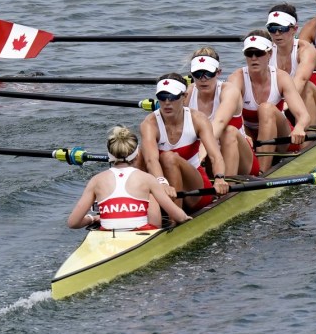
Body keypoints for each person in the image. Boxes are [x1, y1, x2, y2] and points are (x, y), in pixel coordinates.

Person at [211, 31, 312, 170]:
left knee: (266, 108)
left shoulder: (281, 77)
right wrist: (244, 135)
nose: (254, 58)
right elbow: (227, 117)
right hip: (249, 137)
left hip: (281, 137)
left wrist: (300, 128)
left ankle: (262, 172)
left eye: (259, 53)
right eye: (249, 53)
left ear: (269, 54)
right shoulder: (236, 79)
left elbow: (304, 115)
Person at [67, 125, 191, 230]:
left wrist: (92, 218)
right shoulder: (147, 179)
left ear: (110, 155)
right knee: (151, 194)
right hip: (143, 234)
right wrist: (185, 218)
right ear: (137, 155)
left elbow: (73, 223)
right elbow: (178, 216)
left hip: (107, 234)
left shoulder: (96, 180)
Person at [136, 74, 230, 214]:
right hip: (165, 187)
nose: (167, 103)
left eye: (173, 97)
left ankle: (175, 218)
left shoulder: (198, 119)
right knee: (137, 154)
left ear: (184, 97)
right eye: (162, 97)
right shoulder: (149, 124)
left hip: (195, 190)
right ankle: (134, 207)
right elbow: (151, 160)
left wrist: (219, 178)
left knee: (169, 158)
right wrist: (162, 183)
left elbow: (215, 156)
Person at [187, 48, 258, 177]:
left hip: (242, 162)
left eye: (208, 73)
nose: (203, 79)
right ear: (191, 75)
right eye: (198, 74)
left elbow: (219, 122)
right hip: (209, 159)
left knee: (228, 131)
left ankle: (228, 189)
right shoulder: (187, 94)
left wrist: (202, 150)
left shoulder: (229, 91)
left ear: (218, 72)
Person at [265, 4, 316, 127]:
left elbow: (301, 79)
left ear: (294, 29)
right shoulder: (266, 53)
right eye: (272, 29)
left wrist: (283, 107)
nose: (277, 33)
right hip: (287, 110)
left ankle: (309, 137)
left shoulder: (305, 50)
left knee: (306, 86)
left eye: (282, 28)